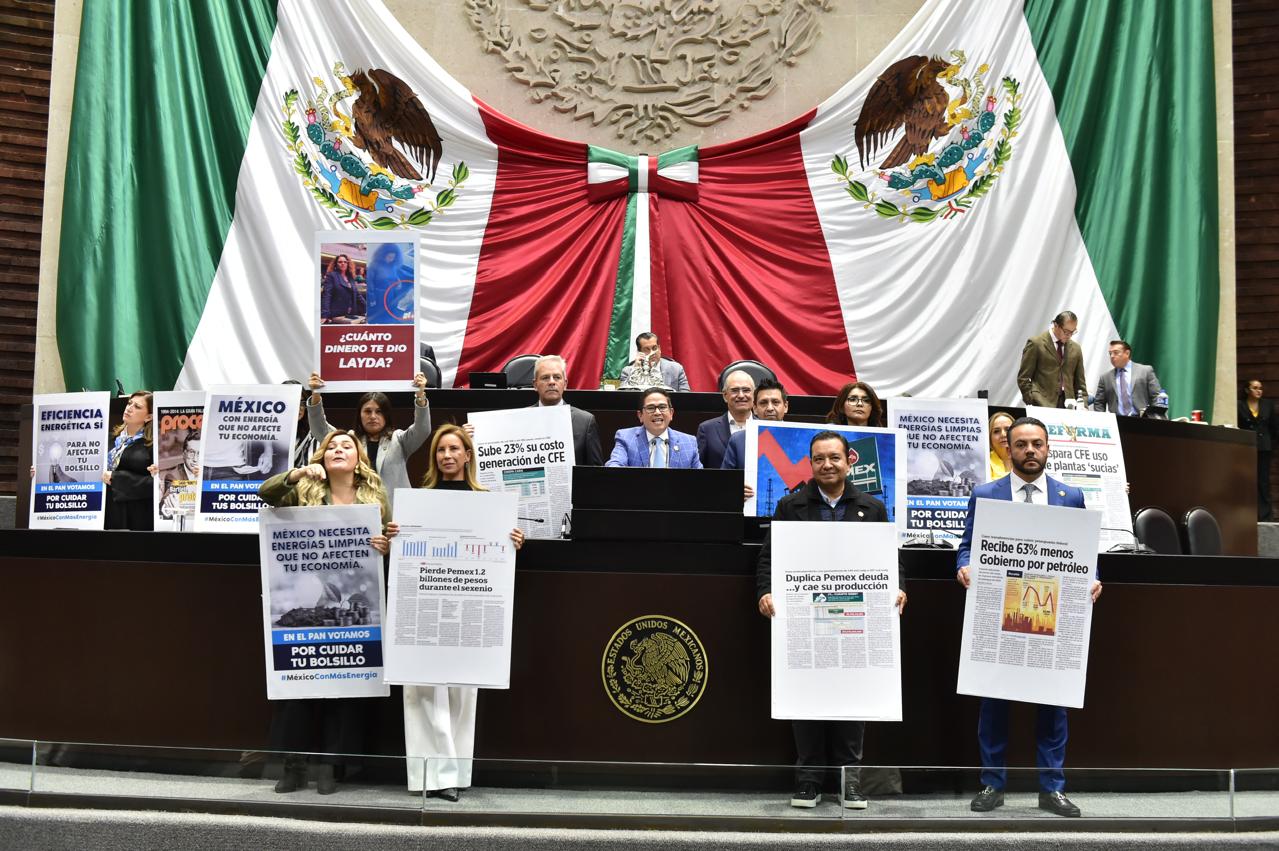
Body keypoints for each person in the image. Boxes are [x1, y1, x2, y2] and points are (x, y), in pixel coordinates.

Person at [955, 416, 1102, 818]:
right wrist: (964, 565)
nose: (1030, 451)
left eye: (1037, 443)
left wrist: (1093, 577)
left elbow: (1085, 552)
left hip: (1052, 611)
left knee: (1054, 704)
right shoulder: (986, 494)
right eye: (1021, 444)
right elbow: (967, 546)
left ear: (1048, 448)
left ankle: (1052, 789)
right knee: (994, 702)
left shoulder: (1070, 496)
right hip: (1000, 610)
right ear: (1009, 448)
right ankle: (992, 783)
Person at [755, 431, 906, 809]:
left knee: (852, 699)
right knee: (805, 697)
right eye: (819, 459)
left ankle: (848, 783)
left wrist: (898, 587)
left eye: (834, 458)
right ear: (810, 464)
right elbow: (769, 557)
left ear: (849, 462)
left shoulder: (872, 507)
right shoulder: (790, 505)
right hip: (805, 616)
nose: (827, 465)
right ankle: (808, 782)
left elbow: (891, 558)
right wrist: (764, 592)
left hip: (855, 616)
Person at [259, 430, 397, 795]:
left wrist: (385, 545)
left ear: (359, 459)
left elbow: (388, 543)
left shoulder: (375, 497)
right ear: (321, 457)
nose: (338, 449)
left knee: (344, 689)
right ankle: (294, 765)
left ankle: (330, 766)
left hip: (351, 606)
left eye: (346, 446)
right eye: (331, 446)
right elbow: (266, 493)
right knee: (299, 684)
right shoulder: (305, 490)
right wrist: (297, 473)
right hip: (307, 600)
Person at [403, 424, 525, 801]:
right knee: (424, 692)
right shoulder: (418, 501)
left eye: (454, 449)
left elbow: (495, 554)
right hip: (426, 605)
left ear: (468, 455)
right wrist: (395, 537)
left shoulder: (488, 502)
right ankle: (433, 775)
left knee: (462, 696)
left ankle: (454, 773)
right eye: (441, 450)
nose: (447, 455)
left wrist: (513, 541)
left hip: (469, 606)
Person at [307, 372, 431, 507]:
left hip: (395, 512)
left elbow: (423, 429)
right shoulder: (350, 440)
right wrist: (316, 394)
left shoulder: (399, 439)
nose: (373, 416)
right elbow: (320, 430)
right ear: (359, 415)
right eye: (367, 411)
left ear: (386, 415)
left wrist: (420, 395)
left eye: (379, 411)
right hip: (359, 511)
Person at [531, 355, 604, 466]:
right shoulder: (521, 419)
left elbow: (596, 470)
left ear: (565, 384)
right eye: (545, 378)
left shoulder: (585, 422)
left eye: (557, 377)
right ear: (535, 385)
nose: (551, 382)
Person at [607, 388, 702, 468]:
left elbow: (699, 478)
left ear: (671, 413)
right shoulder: (626, 438)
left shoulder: (689, 442)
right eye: (650, 408)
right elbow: (614, 466)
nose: (657, 412)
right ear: (640, 415)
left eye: (662, 407)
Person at [103, 390, 155, 531]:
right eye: (129, 403)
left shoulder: (152, 445)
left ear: (149, 417)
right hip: (106, 511)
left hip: (136, 515)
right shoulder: (108, 438)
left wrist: (118, 479)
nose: (129, 408)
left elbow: (157, 484)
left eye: (137, 407)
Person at [721, 379, 789, 485]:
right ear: (755, 408)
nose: (770, 408)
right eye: (763, 403)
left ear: (785, 406)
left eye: (775, 402)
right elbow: (724, 482)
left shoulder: (803, 437)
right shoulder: (738, 440)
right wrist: (738, 487)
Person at [1017, 311, 1086, 408]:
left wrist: (1083, 406)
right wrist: (1031, 399)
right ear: (1056, 325)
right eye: (1066, 332)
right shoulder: (1036, 343)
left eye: (1073, 332)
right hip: (1041, 403)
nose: (1069, 336)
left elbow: (1080, 383)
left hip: (1069, 405)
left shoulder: (1076, 349)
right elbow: (1023, 377)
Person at [696, 370, 755, 469]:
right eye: (735, 390)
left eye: (746, 390)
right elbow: (699, 470)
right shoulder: (706, 429)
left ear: (754, 395)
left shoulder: (764, 427)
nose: (741, 395)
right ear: (725, 396)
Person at [1239, 378, 1278, 521]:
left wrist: (1269, 442)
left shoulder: (1267, 405)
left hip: (1264, 447)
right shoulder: (1239, 405)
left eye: (1260, 388)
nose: (1259, 391)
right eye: (1255, 388)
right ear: (1247, 390)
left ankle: (1265, 515)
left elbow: (1274, 427)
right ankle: (1246, 513)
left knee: (1263, 481)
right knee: (1246, 479)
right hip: (1245, 447)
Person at [1091, 340, 1161, 416]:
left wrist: (1156, 417)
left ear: (1127, 353)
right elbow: (1099, 402)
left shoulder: (1145, 371)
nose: (1112, 356)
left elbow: (1156, 397)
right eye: (1110, 353)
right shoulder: (1105, 378)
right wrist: (1103, 420)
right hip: (1117, 421)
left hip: (1142, 419)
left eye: (1116, 352)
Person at [617, 332, 691, 391]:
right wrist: (635, 370)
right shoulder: (627, 371)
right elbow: (623, 396)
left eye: (654, 348)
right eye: (647, 349)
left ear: (659, 348)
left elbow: (685, 396)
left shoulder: (676, 369)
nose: (652, 352)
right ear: (639, 352)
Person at [158, 432, 200, 522]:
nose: (195, 459)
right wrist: (166, 508)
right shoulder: (173, 475)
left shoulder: (209, 472)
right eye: (191, 452)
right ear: (184, 454)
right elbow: (168, 496)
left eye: (199, 454)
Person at [320, 253, 365, 323]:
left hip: (351, 314)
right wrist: (324, 315)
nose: (343, 263)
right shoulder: (332, 276)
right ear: (336, 264)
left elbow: (358, 295)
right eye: (340, 262)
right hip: (336, 314)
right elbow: (327, 295)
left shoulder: (351, 277)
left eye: (345, 262)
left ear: (348, 264)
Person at [987, 411, 1014, 480]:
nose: (1003, 434)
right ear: (989, 437)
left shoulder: (1026, 459)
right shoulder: (984, 462)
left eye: (1008, 429)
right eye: (996, 431)